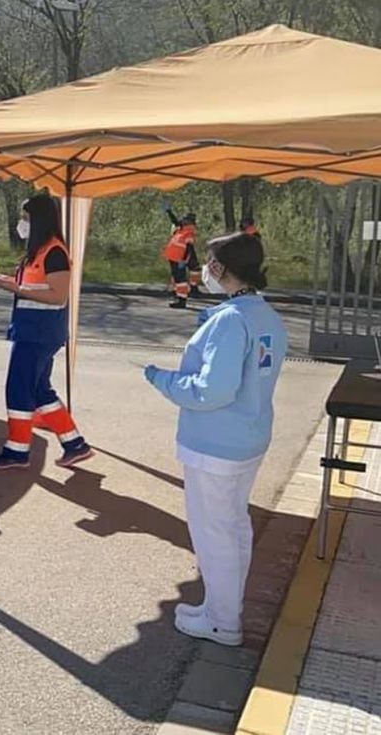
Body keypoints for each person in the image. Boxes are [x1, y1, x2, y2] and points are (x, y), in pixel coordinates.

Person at [143, 232, 287, 647]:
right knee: (233, 528)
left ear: (220, 268)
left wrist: (164, 380)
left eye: (207, 262)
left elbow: (211, 391)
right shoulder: (263, 316)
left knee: (214, 533)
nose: (202, 269)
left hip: (214, 446)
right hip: (247, 439)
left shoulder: (230, 319)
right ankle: (222, 607)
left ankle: (223, 620)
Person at [0, 195, 94, 471]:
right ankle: (75, 444)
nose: (22, 224)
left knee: (19, 389)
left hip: (39, 333)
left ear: (39, 220)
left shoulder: (55, 252)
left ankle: (17, 451)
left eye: (26, 218)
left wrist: (13, 288)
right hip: (33, 330)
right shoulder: (40, 250)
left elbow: (57, 296)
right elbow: (29, 285)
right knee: (40, 389)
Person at [163, 204, 201, 308]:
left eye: (185, 219)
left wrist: (183, 260)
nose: (182, 220)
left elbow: (189, 249)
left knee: (181, 280)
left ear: (189, 222)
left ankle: (182, 300)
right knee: (178, 279)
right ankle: (179, 297)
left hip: (179, 259)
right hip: (174, 258)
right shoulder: (182, 229)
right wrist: (169, 211)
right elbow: (175, 221)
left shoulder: (188, 232)